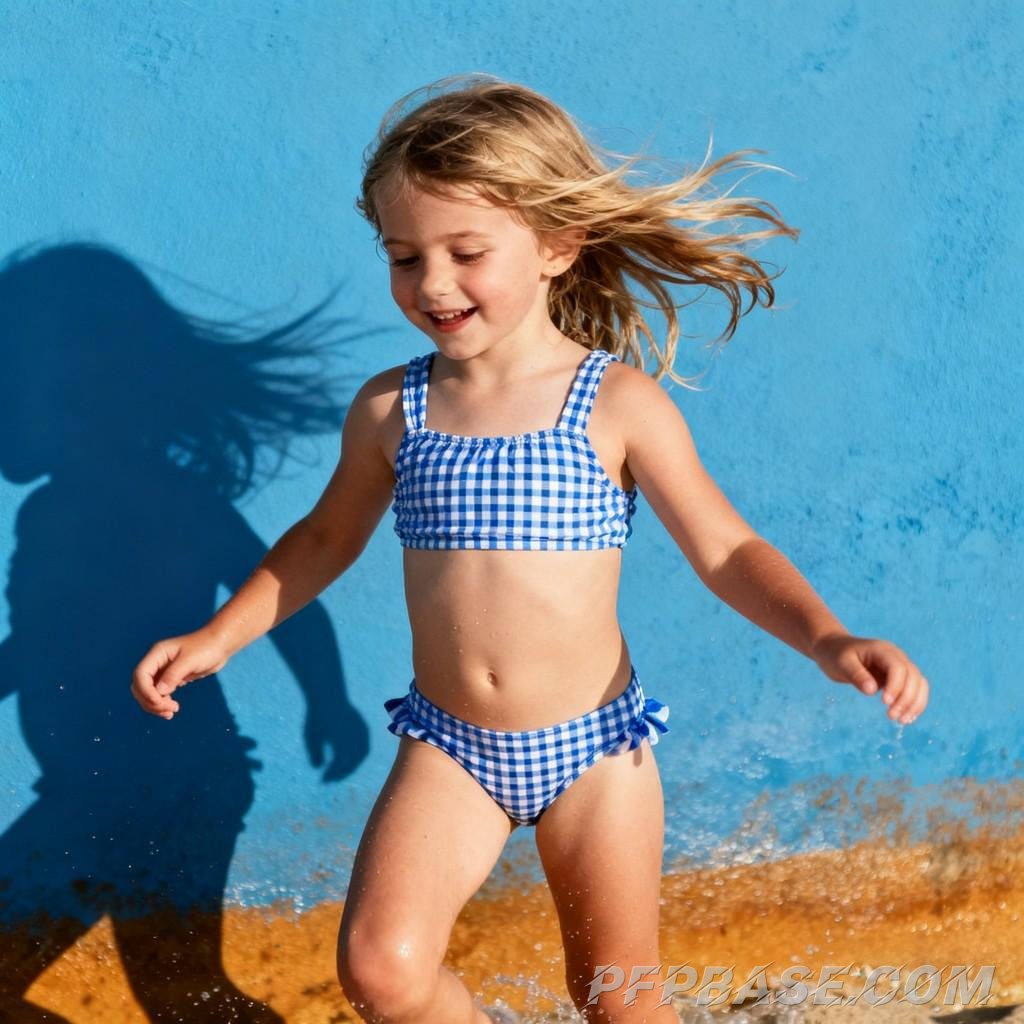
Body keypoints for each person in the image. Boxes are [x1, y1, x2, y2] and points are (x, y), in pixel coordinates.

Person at [131, 74, 930, 1024]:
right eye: (404, 257)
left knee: (616, 999)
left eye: (466, 252)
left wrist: (829, 637)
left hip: (595, 751)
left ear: (557, 243)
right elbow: (325, 537)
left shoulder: (615, 405)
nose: (432, 283)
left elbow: (724, 549)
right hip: (449, 746)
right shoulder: (392, 409)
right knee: (383, 973)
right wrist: (219, 637)